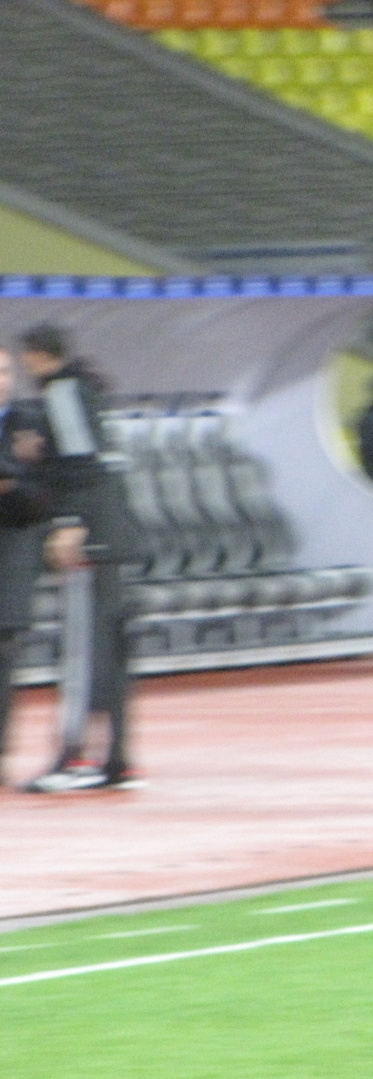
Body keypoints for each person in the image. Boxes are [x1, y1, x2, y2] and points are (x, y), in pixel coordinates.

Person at [17, 324, 144, 792]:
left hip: (89, 539)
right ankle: (118, 760)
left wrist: (70, 522)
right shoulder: (90, 390)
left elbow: (81, 463)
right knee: (111, 653)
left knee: (82, 652)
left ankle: (73, 759)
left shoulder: (63, 391)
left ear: (35, 356)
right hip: (112, 535)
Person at [0, 348, 51, 786]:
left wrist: (10, 486)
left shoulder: (30, 424)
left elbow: (41, 495)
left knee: (2, 661)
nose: (1, 380)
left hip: (10, 558)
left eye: (4, 371)